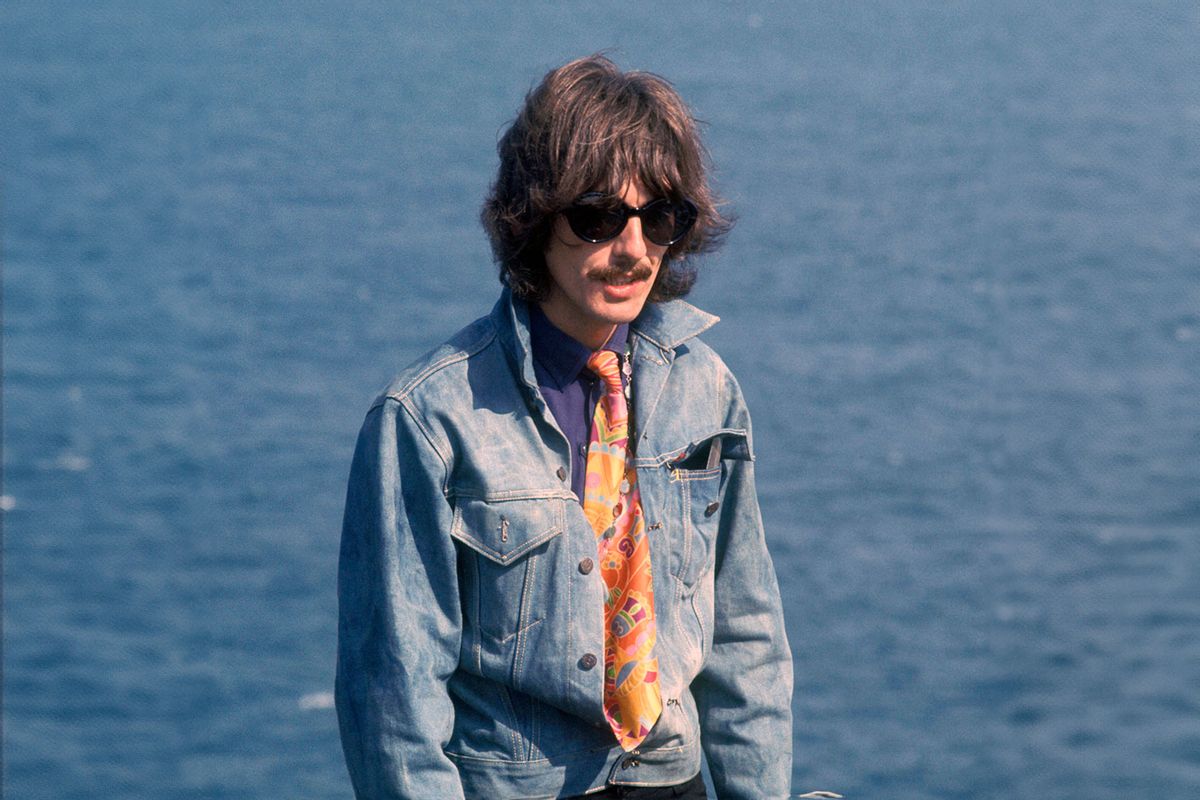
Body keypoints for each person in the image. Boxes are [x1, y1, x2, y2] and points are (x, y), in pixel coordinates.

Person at [336, 54, 793, 799]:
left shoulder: (706, 390)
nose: (635, 250)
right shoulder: (428, 420)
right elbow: (394, 694)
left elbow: (746, 637)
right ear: (533, 219)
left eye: (661, 218)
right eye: (598, 217)